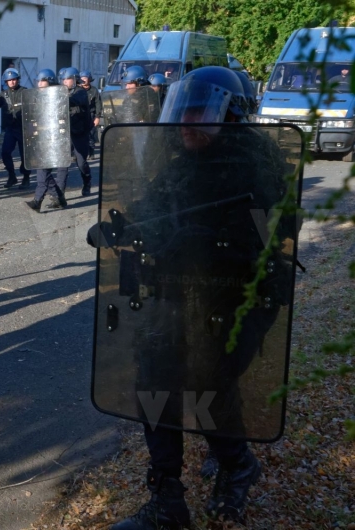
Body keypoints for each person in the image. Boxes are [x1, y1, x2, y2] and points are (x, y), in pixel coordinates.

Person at [88, 66, 292, 530]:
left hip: (242, 297)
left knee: (208, 383)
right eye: (185, 110)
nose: (187, 123)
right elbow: (155, 207)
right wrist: (121, 226)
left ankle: (238, 466)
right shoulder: (181, 162)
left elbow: (277, 234)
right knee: (154, 382)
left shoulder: (259, 169)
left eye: (201, 111)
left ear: (233, 115)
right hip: (183, 290)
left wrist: (219, 239)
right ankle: (167, 501)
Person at [24, 69, 69, 212]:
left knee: (42, 171)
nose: (40, 84)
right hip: (41, 139)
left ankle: (37, 201)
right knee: (43, 170)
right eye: (38, 81)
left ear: (49, 81)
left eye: (42, 81)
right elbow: (32, 117)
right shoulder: (37, 97)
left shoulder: (58, 97)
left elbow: (62, 118)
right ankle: (59, 198)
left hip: (54, 140)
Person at [0, 68, 31, 189]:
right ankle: (12, 176)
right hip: (10, 129)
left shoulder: (26, 92)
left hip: (24, 130)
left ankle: (26, 177)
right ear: (6, 82)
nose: (12, 82)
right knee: (5, 152)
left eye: (14, 79)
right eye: (9, 80)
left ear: (18, 79)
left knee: (25, 155)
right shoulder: (3, 95)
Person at [61, 67, 93, 197]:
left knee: (81, 163)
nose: (65, 81)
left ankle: (87, 182)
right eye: (63, 79)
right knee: (62, 164)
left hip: (80, 133)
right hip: (65, 134)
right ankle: (59, 193)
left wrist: (59, 98)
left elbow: (74, 100)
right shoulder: (61, 92)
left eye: (68, 79)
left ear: (74, 79)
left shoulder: (81, 92)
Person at [79, 70, 102, 159]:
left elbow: (98, 104)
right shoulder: (77, 90)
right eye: (81, 78)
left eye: (85, 78)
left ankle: (91, 152)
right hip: (80, 115)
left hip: (91, 115)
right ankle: (77, 154)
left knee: (90, 134)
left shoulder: (94, 90)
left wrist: (97, 117)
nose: (83, 80)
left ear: (89, 79)